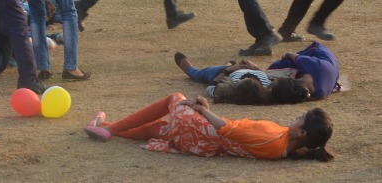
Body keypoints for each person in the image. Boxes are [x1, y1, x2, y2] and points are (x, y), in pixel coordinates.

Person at [84, 93, 334, 162]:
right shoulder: (284, 147)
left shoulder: (274, 138)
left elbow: (227, 129)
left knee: (175, 99)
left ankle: (111, 129)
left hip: (204, 133)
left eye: (300, 118)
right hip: (201, 144)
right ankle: (103, 127)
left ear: (302, 133)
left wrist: (202, 110)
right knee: (158, 128)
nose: (295, 118)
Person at [268, 42, 340, 103]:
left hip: (332, 71)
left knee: (278, 65)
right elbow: (292, 56)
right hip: (317, 51)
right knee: (284, 62)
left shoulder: (317, 94)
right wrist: (286, 54)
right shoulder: (313, 65)